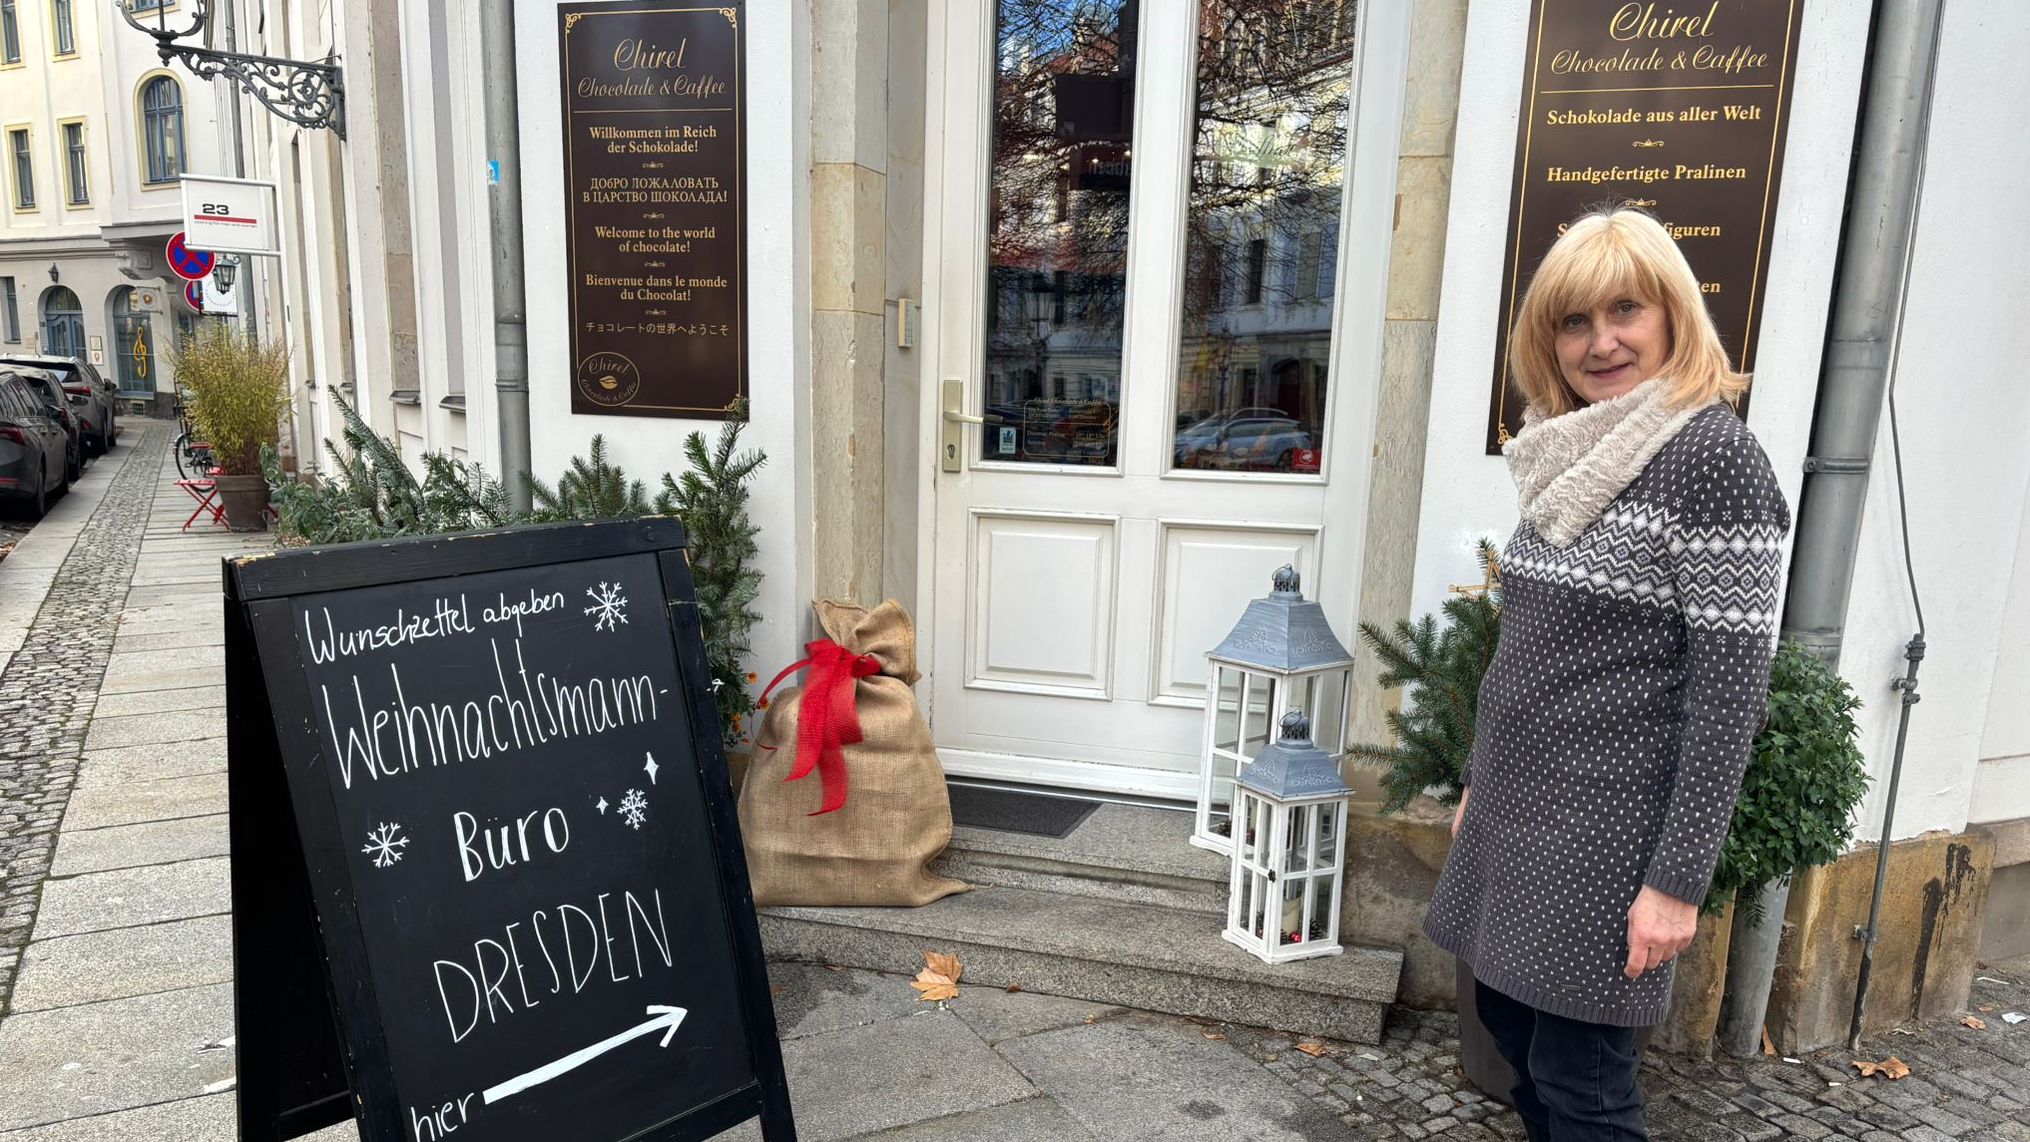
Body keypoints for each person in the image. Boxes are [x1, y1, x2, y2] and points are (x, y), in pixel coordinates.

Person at [1424, 207, 1790, 1140]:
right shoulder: (1568, 446)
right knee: (1509, 1029)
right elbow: (1528, 647)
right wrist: (1480, 781)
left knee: (1584, 1075)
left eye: (1624, 311)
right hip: (1519, 811)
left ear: (1673, 314)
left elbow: (1729, 700)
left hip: (1609, 835)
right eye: (1574, 321)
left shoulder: (1713, 459)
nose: (1602, 342)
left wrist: (1675, 885)